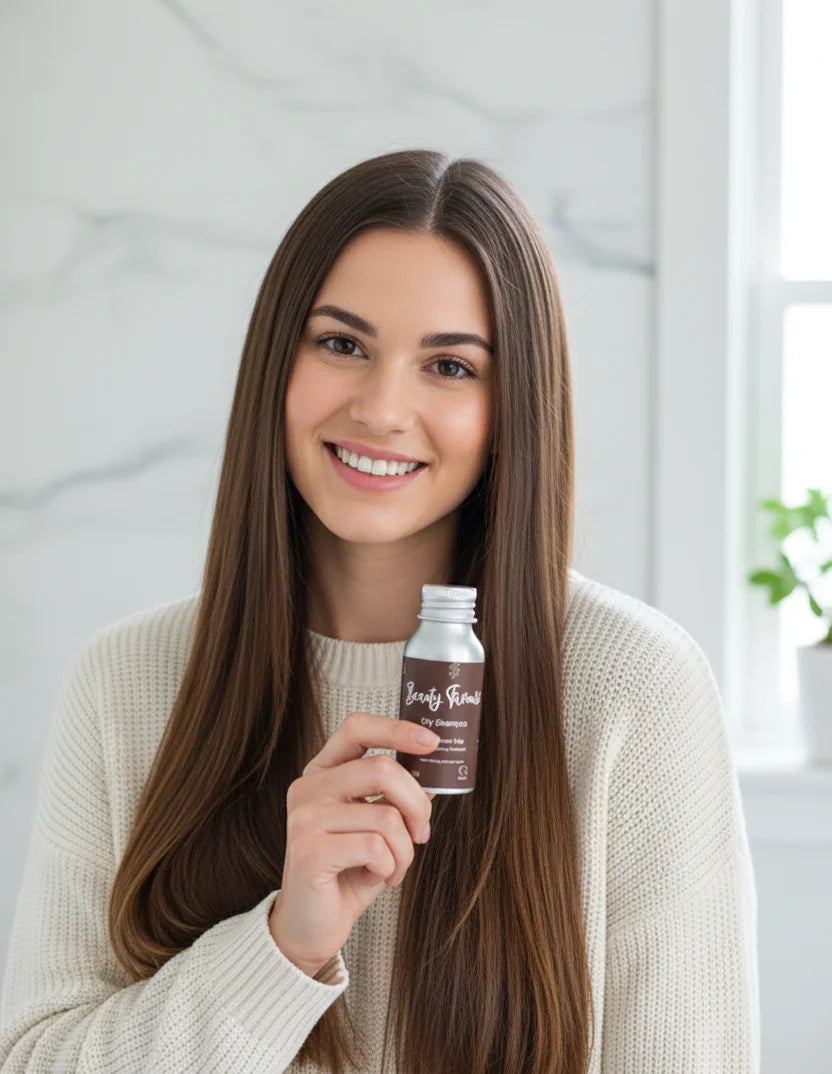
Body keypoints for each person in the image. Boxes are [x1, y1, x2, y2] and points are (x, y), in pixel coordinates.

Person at [0, 149, 760, 1073]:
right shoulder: (127, 682)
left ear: (514, 405)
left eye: (448, 365)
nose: (382, 409)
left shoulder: (635, 687)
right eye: (342, 344)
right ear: (278, 360)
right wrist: (282, 946)